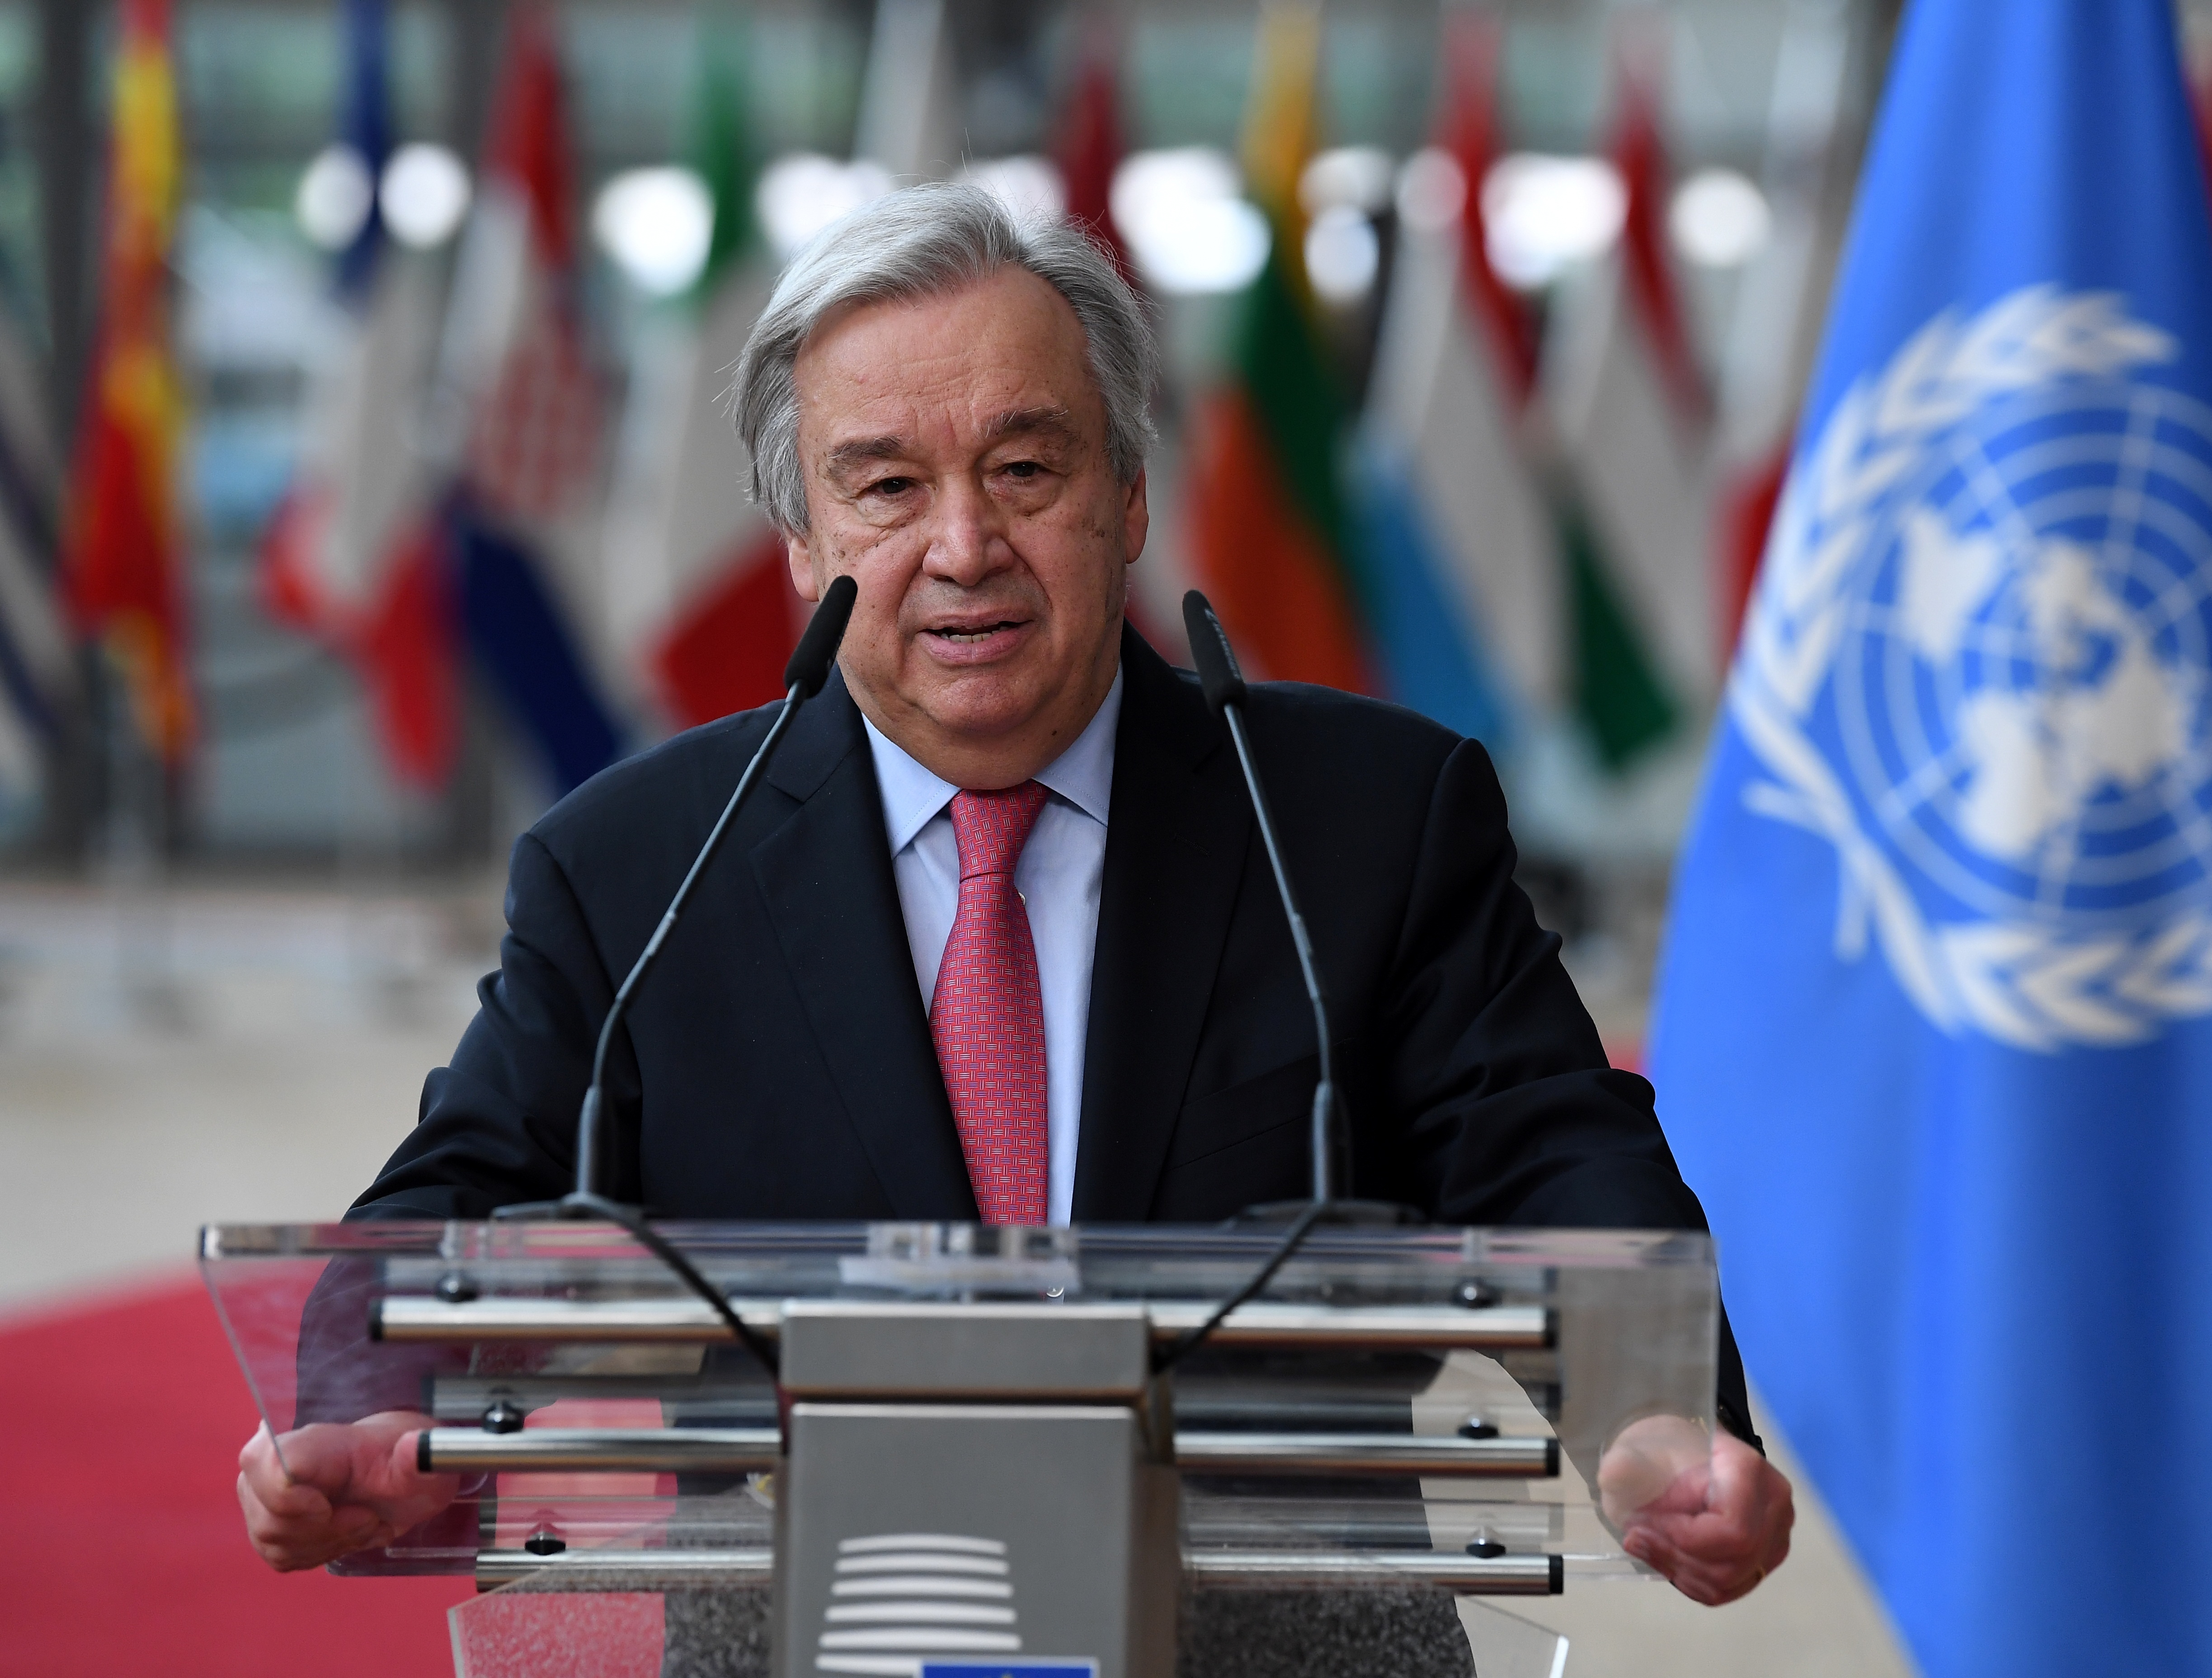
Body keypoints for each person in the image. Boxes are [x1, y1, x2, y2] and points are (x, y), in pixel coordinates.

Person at [236, 183, 1793, 1607]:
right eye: (887, 487)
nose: (963, 547)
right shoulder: (636, 869)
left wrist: (1653, 1413)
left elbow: (1548, 1151)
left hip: (1280, 1637)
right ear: (802, 540)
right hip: (802, 1626)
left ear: (1126, 494)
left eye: (1025, 469)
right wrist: (368, 1404)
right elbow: (460, 1188)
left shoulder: (1362, 820)